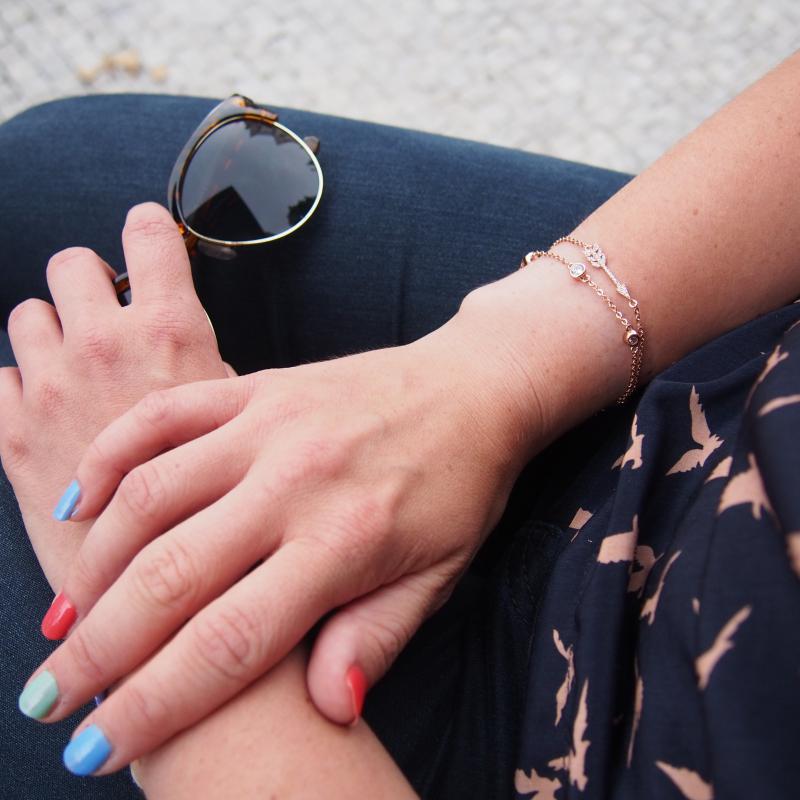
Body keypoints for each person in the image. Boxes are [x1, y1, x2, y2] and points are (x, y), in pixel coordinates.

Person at [1, 50, 799, 800]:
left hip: (566, 749)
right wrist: (490, 373)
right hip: (714, 402)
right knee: (39, 174)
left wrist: (183, 626)